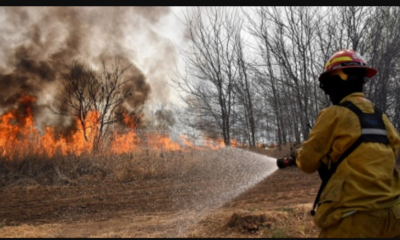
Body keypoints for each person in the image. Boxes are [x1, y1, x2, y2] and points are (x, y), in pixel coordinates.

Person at [291, 49, 400, 238]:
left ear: (335, 82)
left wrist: (298, 153)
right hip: (393, 216)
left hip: (354, 218)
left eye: (326, 86)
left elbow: (307, 163)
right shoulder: (381, 116)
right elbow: (391, 151)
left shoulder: (334, 114)